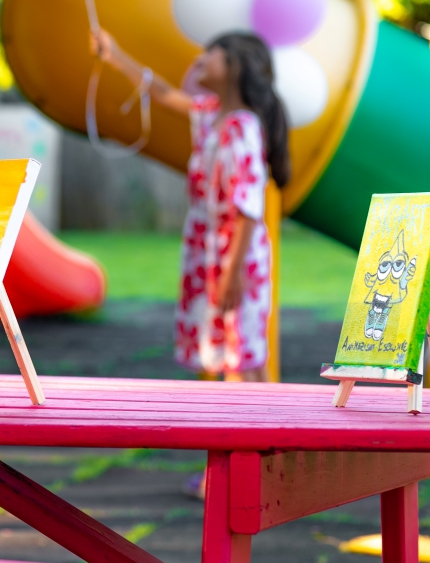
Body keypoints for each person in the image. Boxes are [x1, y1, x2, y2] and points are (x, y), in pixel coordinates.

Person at [92, 29, 290, 383]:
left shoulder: (242, 128)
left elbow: (248, 207)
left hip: (236, 257)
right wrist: (115, 56)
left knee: (245, 350)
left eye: (211, 53)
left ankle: (266, 418)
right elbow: (163, 93)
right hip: (210, 251)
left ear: (234, 66)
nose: (200, 59)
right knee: (224, 347)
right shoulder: (210, 114)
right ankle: (235, 418)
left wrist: (233, 272)